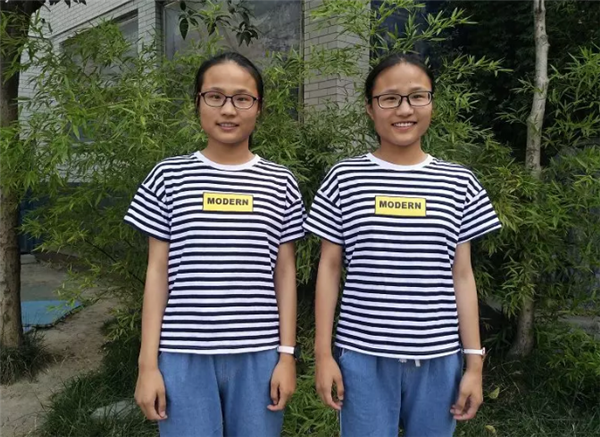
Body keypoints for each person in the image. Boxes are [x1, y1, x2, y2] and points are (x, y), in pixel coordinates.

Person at [304, 52, 502, 437]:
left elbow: (462, 275)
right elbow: (328, 268)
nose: (404, 109)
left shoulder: (459, 182)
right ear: (369, 108)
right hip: (362, 355)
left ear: (431, 103)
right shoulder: (344, 178)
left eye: (417, 96)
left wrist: (474, 364)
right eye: (390, 98)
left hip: (439, 358)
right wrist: (323, 354)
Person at [124, 52, 305, 437]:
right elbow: (157, 272)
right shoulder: (168, 177)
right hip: (182, 355)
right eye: (215, 96)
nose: (229, 109)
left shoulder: (281, 182)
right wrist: (147, 365)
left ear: (259, 107)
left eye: (242, 98)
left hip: (260, 355)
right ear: (198, 103)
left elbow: (285, 272)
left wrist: (287, 356)